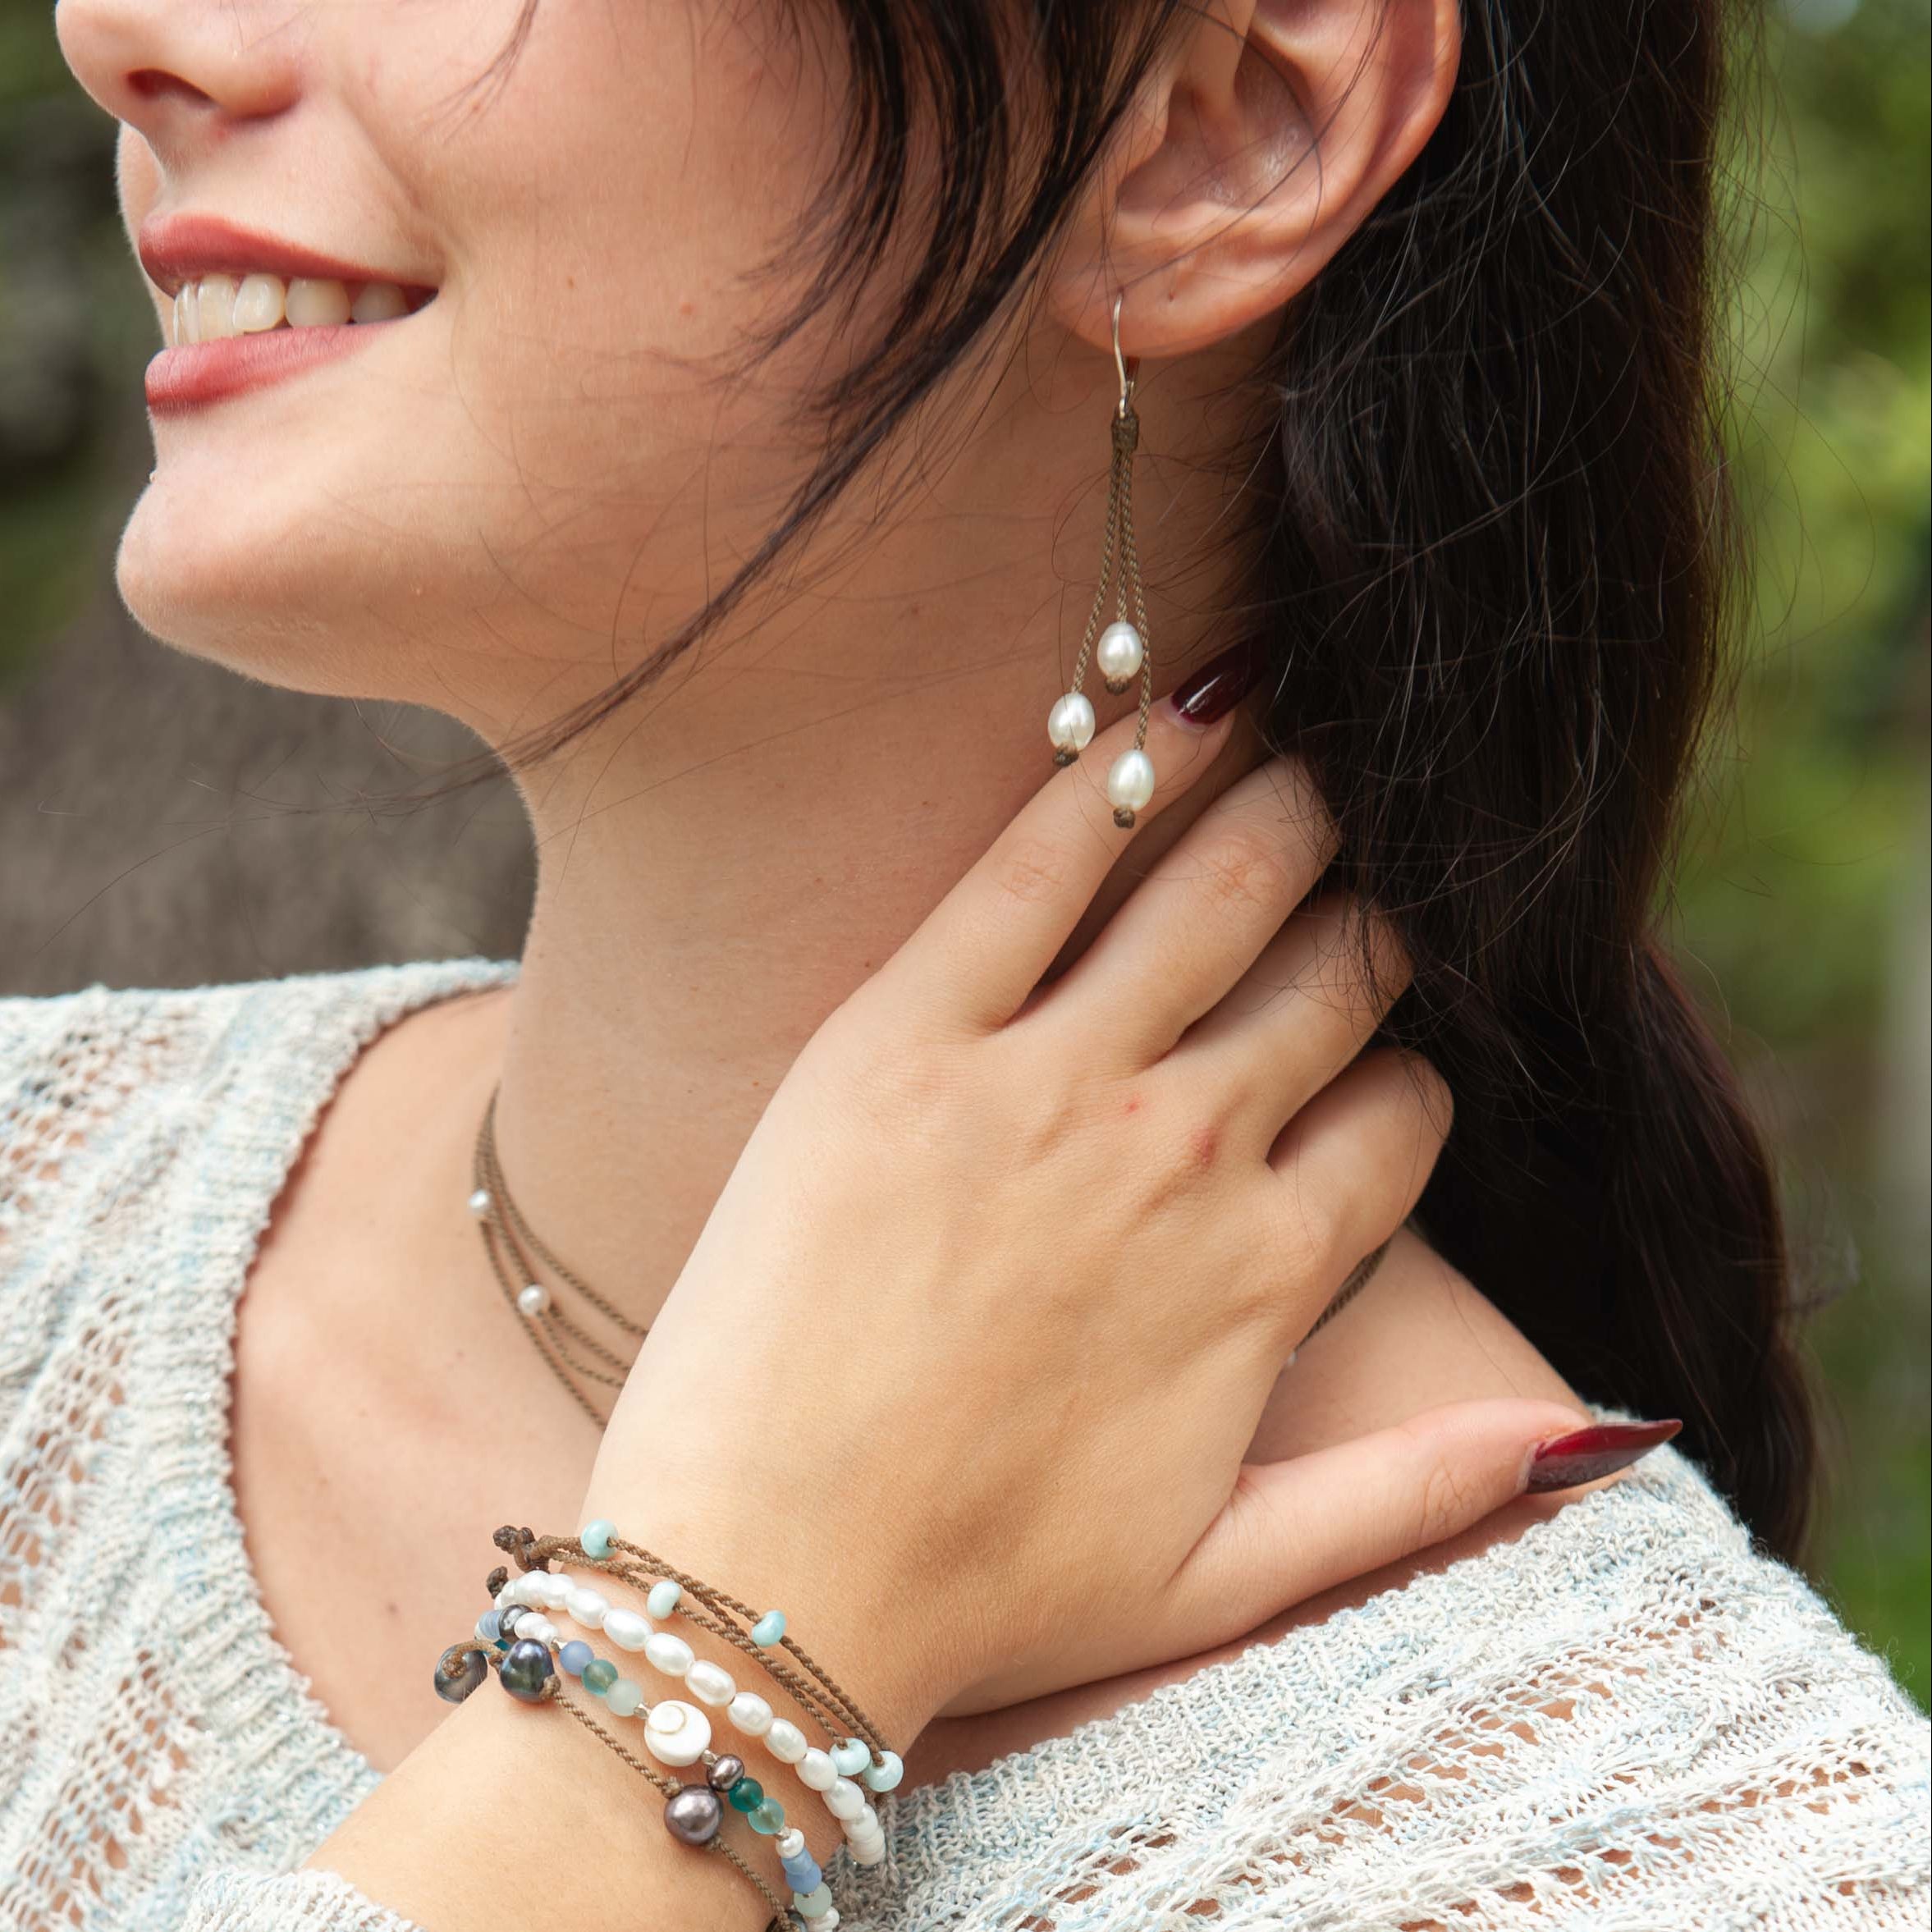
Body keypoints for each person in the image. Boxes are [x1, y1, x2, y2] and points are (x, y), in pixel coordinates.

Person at [5, 0, 1926, 1926]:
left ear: (1220, 127)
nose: (123, 32)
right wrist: (713, 1651)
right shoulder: (36, 1209)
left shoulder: (1681, 1872)